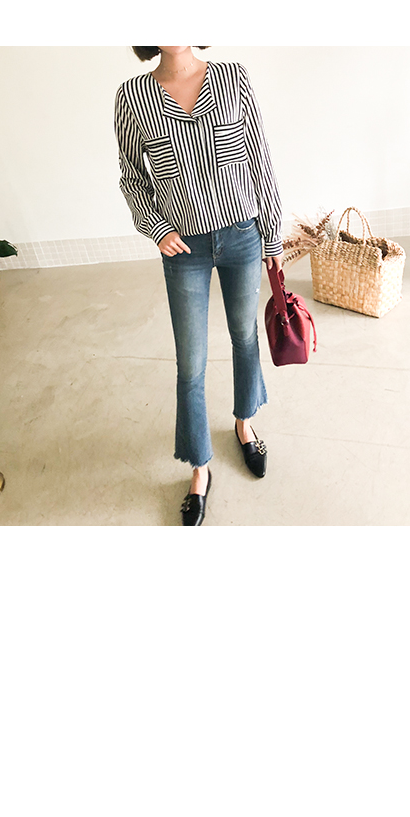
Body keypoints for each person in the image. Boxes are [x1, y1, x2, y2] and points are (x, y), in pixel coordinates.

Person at [114, 47, 284, 526]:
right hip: (183, 248)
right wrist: (156, 227)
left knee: (244, 335)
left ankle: (244, 424)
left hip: (242, 235)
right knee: (190, 361)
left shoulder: (233, 78)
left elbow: (259, 160)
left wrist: (271, 234)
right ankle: (199, 466)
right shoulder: (132, 96)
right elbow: (132, 176)